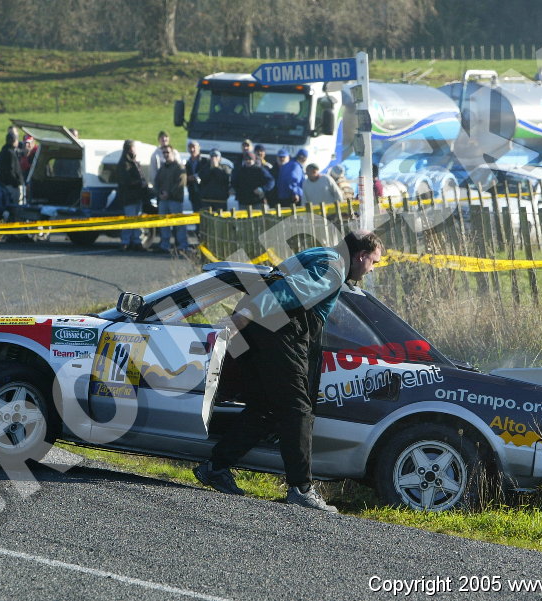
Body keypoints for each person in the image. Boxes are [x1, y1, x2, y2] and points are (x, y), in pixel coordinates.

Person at [193, 231, 385, 512]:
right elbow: (286, 291)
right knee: (298, 409)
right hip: (279, 327)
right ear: (361, 256)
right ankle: (301, 489)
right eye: (374, 262)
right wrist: (239, 321)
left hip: (259, 327)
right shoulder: (333, 269)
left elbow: (274, 279)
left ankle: (216, 467)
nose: (372, 269)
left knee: (266, 406)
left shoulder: (321, 254)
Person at [116, 140, 151, 252]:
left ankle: (136, 241)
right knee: (130, 220)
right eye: (134, 147)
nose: (135, 150)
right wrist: (140, 183)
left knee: (137, 221)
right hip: (129, 197)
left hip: (137, 196)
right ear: (129, 149)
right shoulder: (124, 164)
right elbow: (125, 181)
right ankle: (125, 242)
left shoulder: (134, 162)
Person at [153, 145, 188, 253]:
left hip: (175, 200)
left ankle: (182, 245)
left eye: (168, 152)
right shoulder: (162, 168)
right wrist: (159, 193)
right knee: (164, 224)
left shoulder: (179, 167)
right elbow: (156, 182)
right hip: (163, 200)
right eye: (164, 153)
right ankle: (165, 245)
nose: (166, 155)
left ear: (173, 153)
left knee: (178, 224)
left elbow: (181, 183)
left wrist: (169, 194)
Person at [0, 132, 25, 207]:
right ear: (14, 141)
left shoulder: (2, 152)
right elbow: (11, 170)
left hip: (3, 185)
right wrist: (17, 183)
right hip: (13, 186)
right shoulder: (11, 153)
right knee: (16, 206)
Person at [184, 140, 210, 215]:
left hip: (205, 195)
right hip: (193, 194)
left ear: (199, 148)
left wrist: (198, 177)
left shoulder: (205, 161)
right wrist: (188, 178)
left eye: (194, 147)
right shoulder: (187, 163)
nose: (192, 149)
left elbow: (208, 175)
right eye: (190, 147)